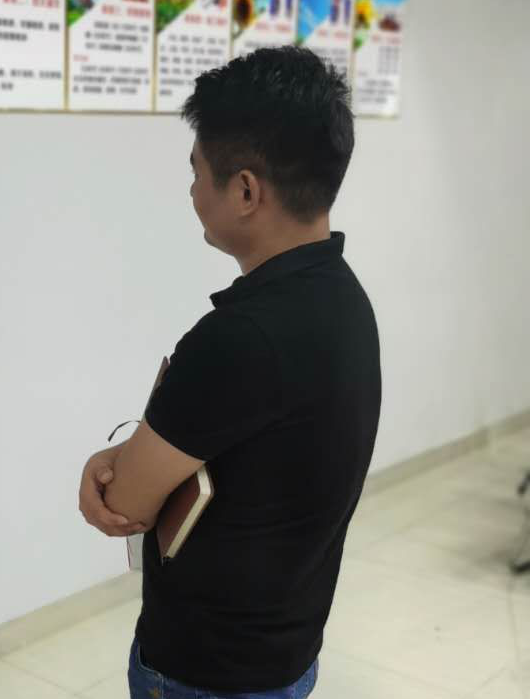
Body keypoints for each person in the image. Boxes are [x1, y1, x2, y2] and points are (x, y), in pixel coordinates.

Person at [78, 46, 381, 699]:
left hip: (205, 670)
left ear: (245, 190)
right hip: (286, 654)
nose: (192, 191)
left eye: (197, 172)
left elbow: (126, 504)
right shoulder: (345, 298)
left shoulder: (237, 340)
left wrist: (111, 465)